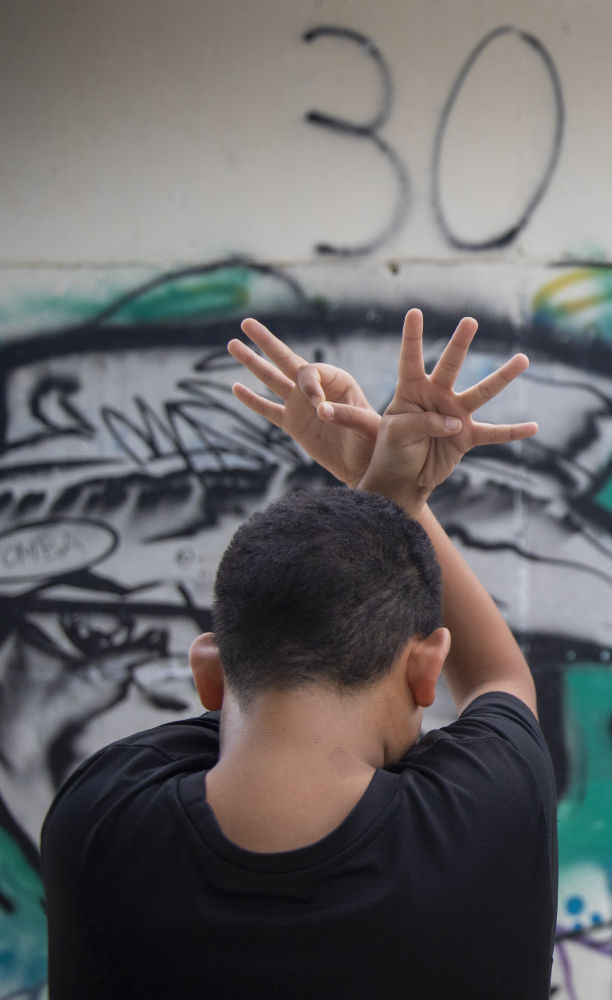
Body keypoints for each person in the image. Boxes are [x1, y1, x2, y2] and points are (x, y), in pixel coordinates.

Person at [40, 310, 558, 998]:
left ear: (208, 672)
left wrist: (387, 493)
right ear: (425, 669)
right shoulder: (484, 821)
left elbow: (273, 698)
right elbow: (499, 676)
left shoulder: (97, 827)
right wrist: (392, 489)